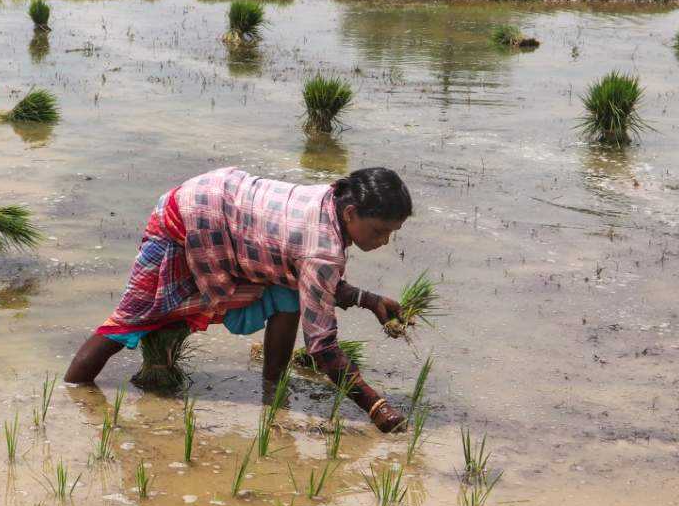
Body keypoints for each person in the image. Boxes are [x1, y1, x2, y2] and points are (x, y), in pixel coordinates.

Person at [63, 167, 415, 434]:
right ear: (351, 212)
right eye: (379, 231)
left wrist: (368, 300)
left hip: (219, 206)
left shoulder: (330, 199)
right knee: (132, 317)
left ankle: (273, 388)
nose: (383, 241)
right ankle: (71, 396)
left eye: (391, 233)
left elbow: (309, 280)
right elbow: (322, 348)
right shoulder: (322, 249)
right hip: (188, 217)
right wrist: (375, 407)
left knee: (288, 293)